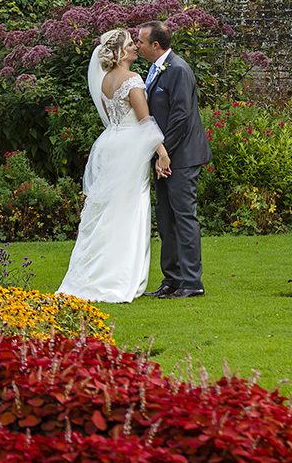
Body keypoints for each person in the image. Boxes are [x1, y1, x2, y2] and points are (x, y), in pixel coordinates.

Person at [56, 28, 170, 303]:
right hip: (130, 150)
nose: (134, 47)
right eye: (130, 44)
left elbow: (114, 119)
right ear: (118, 53)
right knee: (129, 211)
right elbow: (144, 122)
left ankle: (92, 270)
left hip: (110, 144)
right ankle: (119, 276)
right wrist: (162, 153)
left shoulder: (105, 80)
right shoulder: (132, 79)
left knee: (107, 212)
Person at [136, 21, 212, 299]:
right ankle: (172, 278)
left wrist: (164, 154)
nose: (137, 45)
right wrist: (158, 154)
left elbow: (181, 116)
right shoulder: (155, 68)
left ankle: (192, 282)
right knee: (166, 219)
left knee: (184, 217)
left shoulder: (178, 69)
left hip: (181, 156)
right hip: (164, 156)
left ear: (156, 45)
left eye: (141, 41)